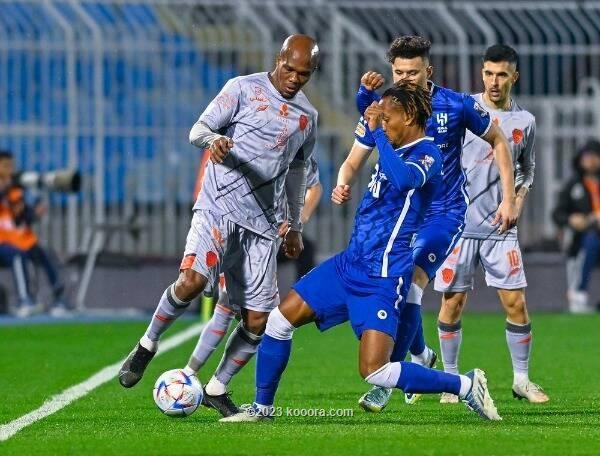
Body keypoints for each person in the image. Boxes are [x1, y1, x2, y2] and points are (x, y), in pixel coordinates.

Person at [222, 82, 502, 423]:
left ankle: (466, 384)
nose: (382, 124)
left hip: (382, 277)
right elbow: (371, 115)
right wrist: (363, 98)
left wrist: (379, 135)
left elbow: (403, 181)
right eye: (381, 120)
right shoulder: (391, 137)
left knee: (374, 371)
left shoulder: (428, 153)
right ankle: (262, 409)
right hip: (348, 265)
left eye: (388, 119)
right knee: (279, 322)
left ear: (410, 116)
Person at [118, 35, 321, 416]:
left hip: (262, 226)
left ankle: (216, 386)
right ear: (278, 59)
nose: (294, 78)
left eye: (304, 74)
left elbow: (298, 173)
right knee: (191, 283)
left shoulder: (307, 117)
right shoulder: (242, 89)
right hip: (219, 208)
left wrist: (293, 225)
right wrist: (215, 141)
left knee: (257, 321)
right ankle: (147, 345)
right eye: (289, 69)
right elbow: (197, 131)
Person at [340, 36, 517, 411]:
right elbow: (357, 155)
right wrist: (342, 182)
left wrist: (509, 197)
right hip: (401, 219)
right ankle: (420, 355)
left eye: (413, 72)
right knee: (401, 291)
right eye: (399, 71)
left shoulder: (455, 105)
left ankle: (386, 380)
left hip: (444, 214)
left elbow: (499, 140)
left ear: (428, 71)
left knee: (412, 289)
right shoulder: (386, 105)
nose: (405, 79)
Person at [432, 44, 548, 404]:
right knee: (452, 304)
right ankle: (450, 382)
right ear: (481, 74)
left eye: (501, 74)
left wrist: (516, 201)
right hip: (459, 226)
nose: (493, 82)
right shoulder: (462, 109)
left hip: (501, 228)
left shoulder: (524, 121)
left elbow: (527, 169)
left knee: (516, 304)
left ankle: (521, 380)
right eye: (488, 73)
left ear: (514, 76)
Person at [182, 155, 322, 416]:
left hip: (270, 240)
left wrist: (297, 221)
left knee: (257, 318)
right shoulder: (240, 141)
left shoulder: (294, 143)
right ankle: (192, 376)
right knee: (225, 307)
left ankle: (208, 383)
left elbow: (316, 186)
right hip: (239, 236)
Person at [0, 150, 69, 317]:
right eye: (6, 165)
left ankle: (59, 301)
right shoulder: (9, 187)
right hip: (3, 242)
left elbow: (21, 218)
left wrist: (34, 213)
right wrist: (8, 187)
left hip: (24, 239)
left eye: (11, 165)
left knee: (47, 255)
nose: (10, 169)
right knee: (17, 256)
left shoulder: (18, 189)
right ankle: (25, 300)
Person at [553, 140, 600, 313]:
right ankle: (578, 292)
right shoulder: (574, 185)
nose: (589, 160)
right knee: (591, 241)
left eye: (594, 156)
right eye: (586, 156)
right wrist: (571, 219)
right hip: (582, 237)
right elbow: (558, 214)